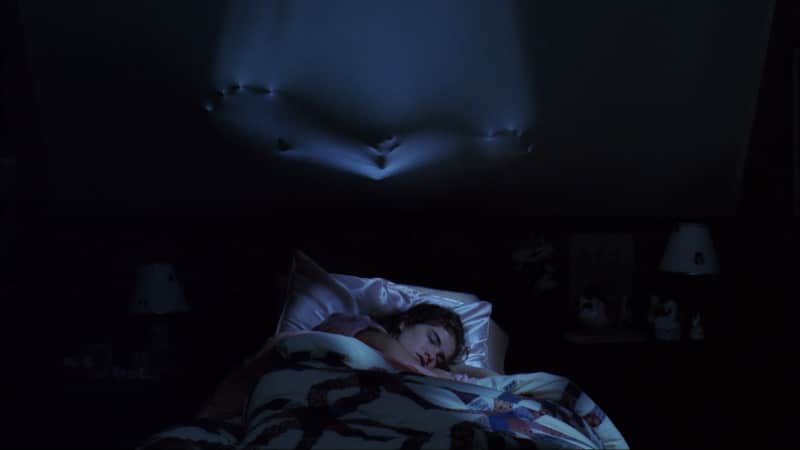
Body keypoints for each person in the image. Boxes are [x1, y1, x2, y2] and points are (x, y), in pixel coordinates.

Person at [313, 302, 469, 380]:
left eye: (439, 359)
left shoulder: (408, 376)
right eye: (432, 339)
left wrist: (453, 370)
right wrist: (436, 374)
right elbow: (385, 345)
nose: (431, 356)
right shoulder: (359, 325)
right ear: (406, 323)